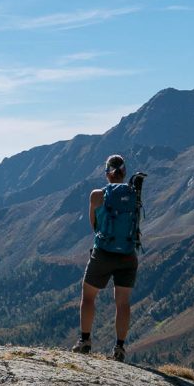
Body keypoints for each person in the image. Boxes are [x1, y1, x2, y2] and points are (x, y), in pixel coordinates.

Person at [73, 154, 142, 362]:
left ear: (107, 173)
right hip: (128, 255)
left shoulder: (97, 195)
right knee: (122, 303)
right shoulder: (134, 194)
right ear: (125, 173)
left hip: (103, 253)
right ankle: (119, 348)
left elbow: (94, 225)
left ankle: (85, 341)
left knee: (88, 297)